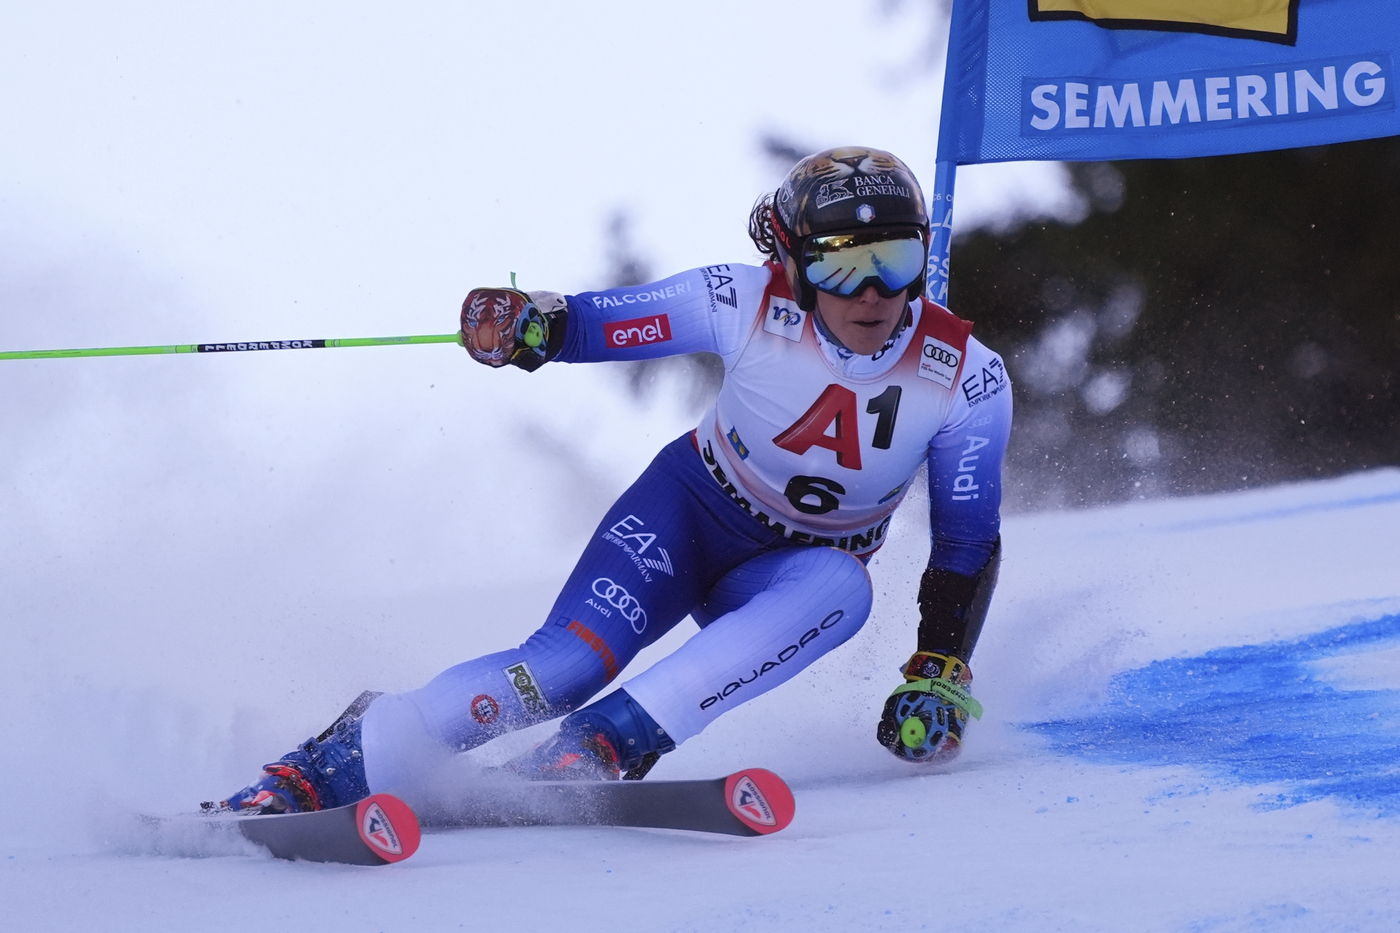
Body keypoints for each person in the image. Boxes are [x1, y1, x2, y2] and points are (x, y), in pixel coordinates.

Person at [212, 146, 1012, 815]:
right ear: (794, 265)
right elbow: (605, 320)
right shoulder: (740, 300)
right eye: (840, 266)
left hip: (788, 574)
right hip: (687, 515)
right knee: (563, 668)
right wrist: (532, 325)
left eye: (895, 259)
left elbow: (967, 540)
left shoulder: (967, 378)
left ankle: (601, 743)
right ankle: (335, 764)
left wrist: (939, 670)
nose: (872, 293)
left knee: (843, 588)